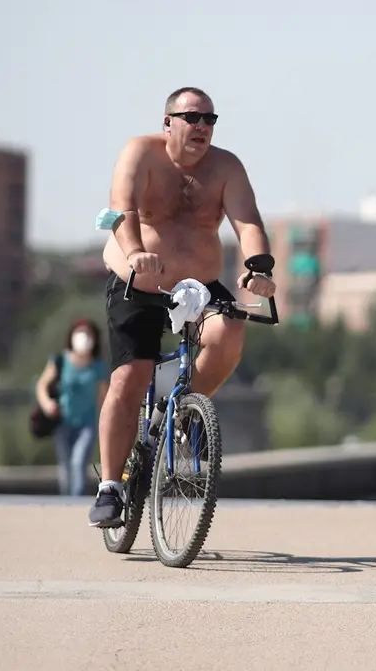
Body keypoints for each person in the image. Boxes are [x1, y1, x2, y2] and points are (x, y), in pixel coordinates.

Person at [88, 86, 277, 528]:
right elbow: (121, 210)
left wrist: (257, 268)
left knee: (229, 333)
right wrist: (135, 252)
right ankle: (111, 486)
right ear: (168, 122)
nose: (202, 127)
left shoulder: (226, 167)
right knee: (131, 375)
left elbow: (248, 222)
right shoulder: (140, 154)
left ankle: (178, 413)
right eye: (192, 117)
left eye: (210, 119)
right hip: (139, 281)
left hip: (199, 285)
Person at [34, 319, 110, 496]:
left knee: (78, 461)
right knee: (65, 466)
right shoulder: (60, 361)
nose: (83, 337)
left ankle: (77, 499)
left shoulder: (98, 366)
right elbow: (42, 385)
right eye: (80, 333)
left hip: (87, 425)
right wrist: (47, 404)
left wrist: (107, 424)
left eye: (88, 334)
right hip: (63, 422)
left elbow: (104, 397)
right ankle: (66, 501)